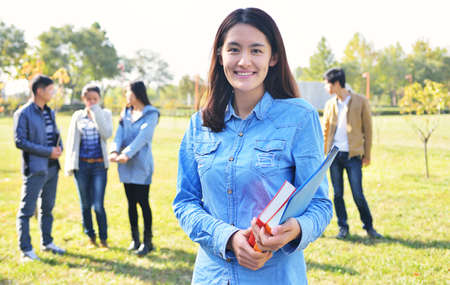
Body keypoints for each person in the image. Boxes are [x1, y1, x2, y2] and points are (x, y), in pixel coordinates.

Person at [173, 8, 332, 284]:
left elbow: (319, 204)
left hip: (276, 276)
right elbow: (185, 203)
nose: (244, 61)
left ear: (273, 58)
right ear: (220, 55)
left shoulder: (300, 118)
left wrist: (295, 228)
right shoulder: (198, 125)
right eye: (234, 49)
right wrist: (229, 238)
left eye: (256, 51)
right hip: (212, 277)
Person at [322, 67, 382, 239]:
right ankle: (343, 227)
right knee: (337, 194)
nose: (326, 88)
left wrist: (367, 154)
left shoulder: (360, 101)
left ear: (336, 83)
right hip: (334, 157)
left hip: (353, 156)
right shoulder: (329, 105)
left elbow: (368, 131)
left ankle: (369, 226)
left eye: (327, 84)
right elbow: (325, 131)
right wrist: (324, 154)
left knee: (357, 193)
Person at [13, 74, 66, 262]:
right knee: (26, 211)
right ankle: (26, 249)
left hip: (53, 168)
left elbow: (53, 134)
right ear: (39, 91)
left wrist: (60, 148)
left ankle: (47, 242)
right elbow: (20, 142)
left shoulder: (50, 112)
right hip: (35, 168)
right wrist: (47, 151)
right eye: (50, 89)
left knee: (48, 208)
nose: (53, 92)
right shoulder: (23, 113)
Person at [109, 81, 159, 257]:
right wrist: (114, 150)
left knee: (143, 202)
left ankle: (148, 242)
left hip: (141, 165)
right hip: (125, 165)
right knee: (130, 203)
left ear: (136, 93)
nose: (126, 96)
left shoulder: (151, 114)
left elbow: (143, 137)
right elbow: (119, 134)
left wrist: (127, 154)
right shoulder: (126, 112)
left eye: (127, 92)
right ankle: (135, 239)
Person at [65, 84, 113, 248]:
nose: (92, 102)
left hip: (99, 166)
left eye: (95, 99)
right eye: (88, 99)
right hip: (82, 167)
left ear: (99, 99)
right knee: (85, 204)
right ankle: (90, 236)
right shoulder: (77, 116)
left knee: (98, 205)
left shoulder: (105, 114)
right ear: (83, 99)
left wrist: (96, 113)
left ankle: (103, 238)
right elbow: (72, 142)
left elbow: (107, 134)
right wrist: (70, 165)